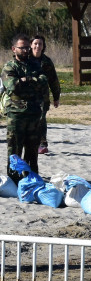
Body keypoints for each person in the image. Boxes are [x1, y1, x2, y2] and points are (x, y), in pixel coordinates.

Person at [2, 34, 48, 179]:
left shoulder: (35, 64)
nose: (26, 50)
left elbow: (44, 81)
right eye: (22, 48)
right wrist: (31, 81)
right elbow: (12, 86)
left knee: (32, 151)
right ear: (14, 49)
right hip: (16, 115)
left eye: (28, 47)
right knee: (14, 150)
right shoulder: (9, 66)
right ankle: (14, 179)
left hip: (34, 113)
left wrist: (25, 79)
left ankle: (31, 179)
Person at [31, 35, 60, 154]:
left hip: (43, 96)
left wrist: (56, 97)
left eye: (40, 44)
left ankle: (42, 144)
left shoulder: (47, 62)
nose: (38, 46)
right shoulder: (24, 59)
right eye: (36, 43)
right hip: (26, 96)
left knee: (41, 119)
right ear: (31, 45)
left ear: (43, 46)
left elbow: (54, 80)